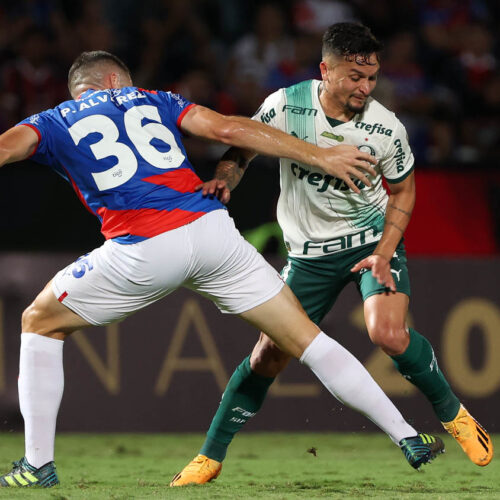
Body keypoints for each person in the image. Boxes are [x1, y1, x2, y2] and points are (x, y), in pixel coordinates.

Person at [0, 50, 444, 488]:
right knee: (307, 339)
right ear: (117, 81)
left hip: (144, 247)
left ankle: (38, 464)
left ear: (83, 89)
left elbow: (6, 149)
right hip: (214, 231)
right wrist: (319, 154)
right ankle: (407, 435)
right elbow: (232, 128)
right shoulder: (156, 98)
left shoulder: (53, 120)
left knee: (39, 321)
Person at [171, 22, 493, 487]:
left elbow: (403, 190)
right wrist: (226, 179)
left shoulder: (385, 127)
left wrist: (385, 252)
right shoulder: (286, 105)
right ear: (326, 70)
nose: (365, 87)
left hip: (371, 242)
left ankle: (455, 416)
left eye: (372, 78)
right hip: (308, 256)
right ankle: (209, 457)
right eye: (354, 77)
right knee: (267, 357)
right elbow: (241, 150)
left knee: (389, 333)